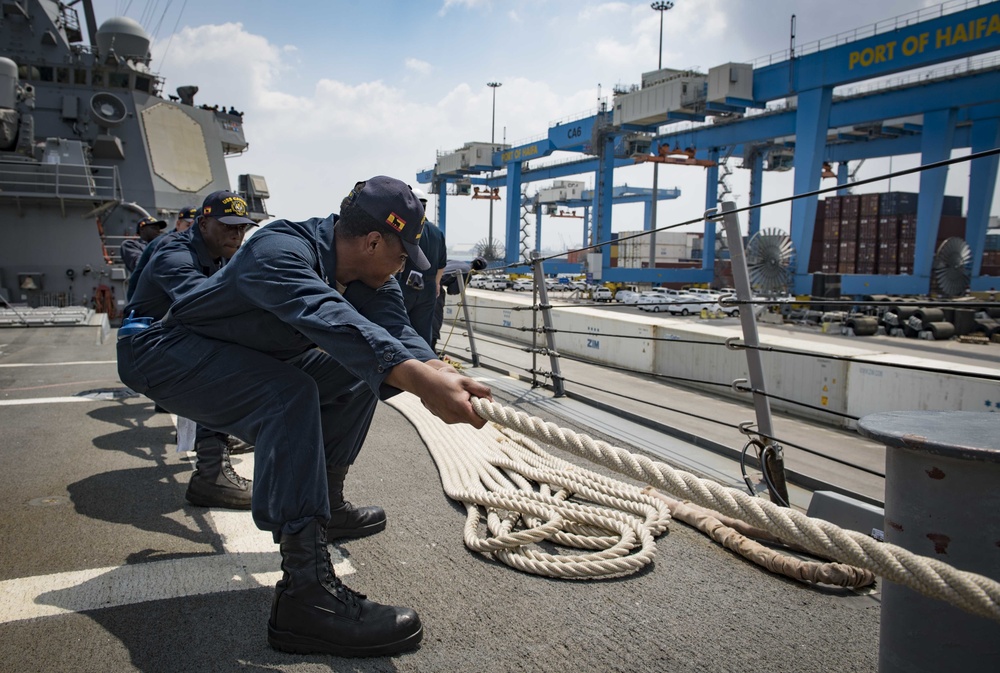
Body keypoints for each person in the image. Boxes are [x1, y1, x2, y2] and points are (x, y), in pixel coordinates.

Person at [117, 176, 492, 657]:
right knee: (288, 394)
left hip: (235, 352)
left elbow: (395, 330)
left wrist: (437, 371)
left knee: (361, 371)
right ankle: (305, 597)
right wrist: (421, 382)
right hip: (164, 352)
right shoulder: (278, 248)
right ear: (373, 241)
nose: (403, 268)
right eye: (402, 256)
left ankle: (326, 507)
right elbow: (323, 312)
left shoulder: (367, 277)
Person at [125, 191, 254, 509]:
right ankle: (211, 476)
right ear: (204, 223)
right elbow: (202, 300)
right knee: (222, 363)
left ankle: (220, 442)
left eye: (241, 228)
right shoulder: (175, 252)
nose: (236, 234)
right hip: (144, 348)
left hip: (169, 339)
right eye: (228, 226)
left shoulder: (219, 255)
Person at [398, 188, 447, 349]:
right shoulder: (437, 232)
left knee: (399, 327)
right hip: (429, 287)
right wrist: (437, 284)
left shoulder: (407, 229)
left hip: (407, 284)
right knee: (424, 331)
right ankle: (424, 363)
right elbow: (442, 264)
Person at [126, 205, 199, 301]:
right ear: (178, 224)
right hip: (144, 302)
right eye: (188, 226)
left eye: (158, 228)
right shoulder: (165, 243)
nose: (157, 231)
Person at [434, 256, 488, 350]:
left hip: (427, 280)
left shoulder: (456, 261)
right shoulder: (467, 273)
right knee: (435, 320)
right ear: (477, 271)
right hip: (434, 288)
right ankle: (431, 348)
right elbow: (452, 290)